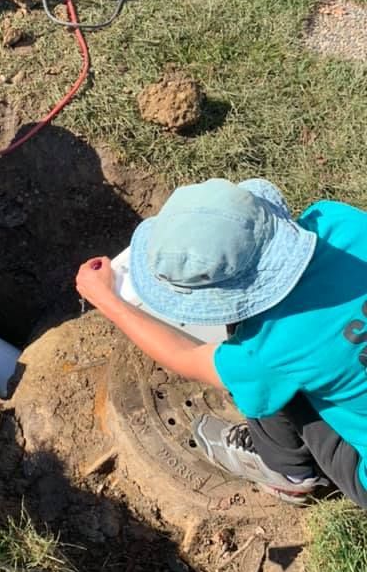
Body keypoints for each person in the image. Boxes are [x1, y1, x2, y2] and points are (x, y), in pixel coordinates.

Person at [76, 177, 367, 508]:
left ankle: (289, 474)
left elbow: (184, 357)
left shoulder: (262, 351)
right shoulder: (339, 221)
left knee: (264, 388)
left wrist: (107, 300)